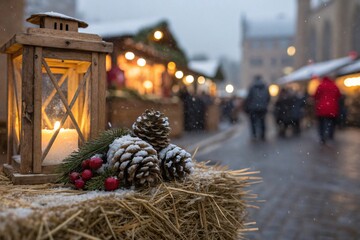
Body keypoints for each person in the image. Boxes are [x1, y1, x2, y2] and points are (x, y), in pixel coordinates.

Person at [314, 75, 341, 144]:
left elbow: (315, 96)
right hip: (333, 108)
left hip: (321, 108)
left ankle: (322, 137)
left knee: (321, 123)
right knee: (332, 123)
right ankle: (330, 136)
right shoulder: (334, 85)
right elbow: (339, 95)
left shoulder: (320, 86)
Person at [244, 75, 270, 141]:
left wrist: (249, 106)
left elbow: (248, 98)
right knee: (263, 121)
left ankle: (254, 135)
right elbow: (268, 98)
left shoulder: (252, 87)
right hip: (263, 108)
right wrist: (265, 104)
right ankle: (263, 135)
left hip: (253, 108)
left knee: (253, 122)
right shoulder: (265, 87)